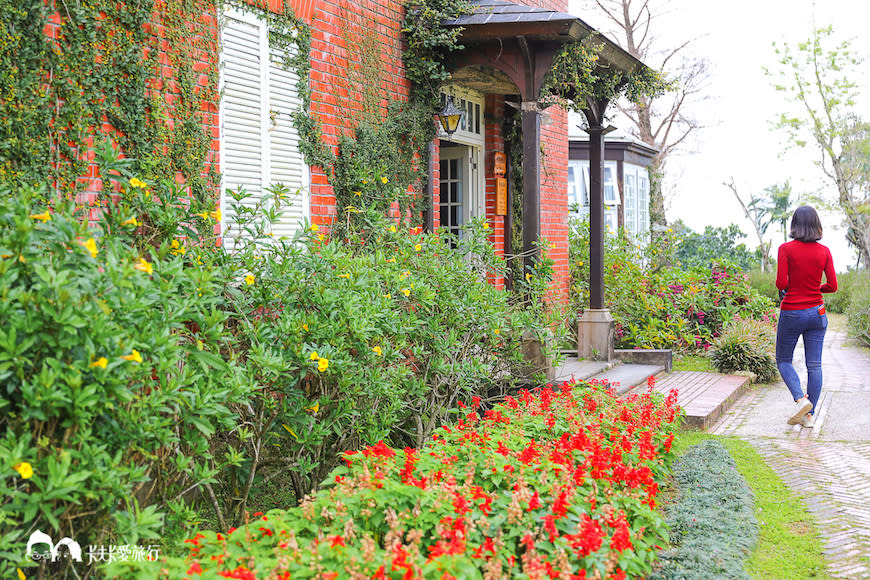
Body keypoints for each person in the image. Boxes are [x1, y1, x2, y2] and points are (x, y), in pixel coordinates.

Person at [775, 205, 838, 428]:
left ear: (795, 225)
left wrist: (796, 286)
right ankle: (808, 416)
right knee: (815, 365)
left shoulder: (785, 249)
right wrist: (815, 288)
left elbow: (781, 283)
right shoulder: (824, 251)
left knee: (783, 359)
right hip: (817, 313)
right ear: (816, 225)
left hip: (792, 311)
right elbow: (832, 286)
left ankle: (801, 400)